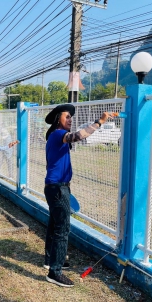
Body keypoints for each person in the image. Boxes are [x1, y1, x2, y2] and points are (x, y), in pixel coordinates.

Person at [43, 103, 112, 287]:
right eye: (67, 116)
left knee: (55, 224)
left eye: (71, 117)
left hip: (54, 186)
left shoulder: (53, 135)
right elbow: (78, 136)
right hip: (58, 188)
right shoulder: (58, 134)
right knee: (62, 228)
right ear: (58, 118)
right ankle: (54, 272)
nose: (70, 119)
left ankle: (51, 260)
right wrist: (100, 121)